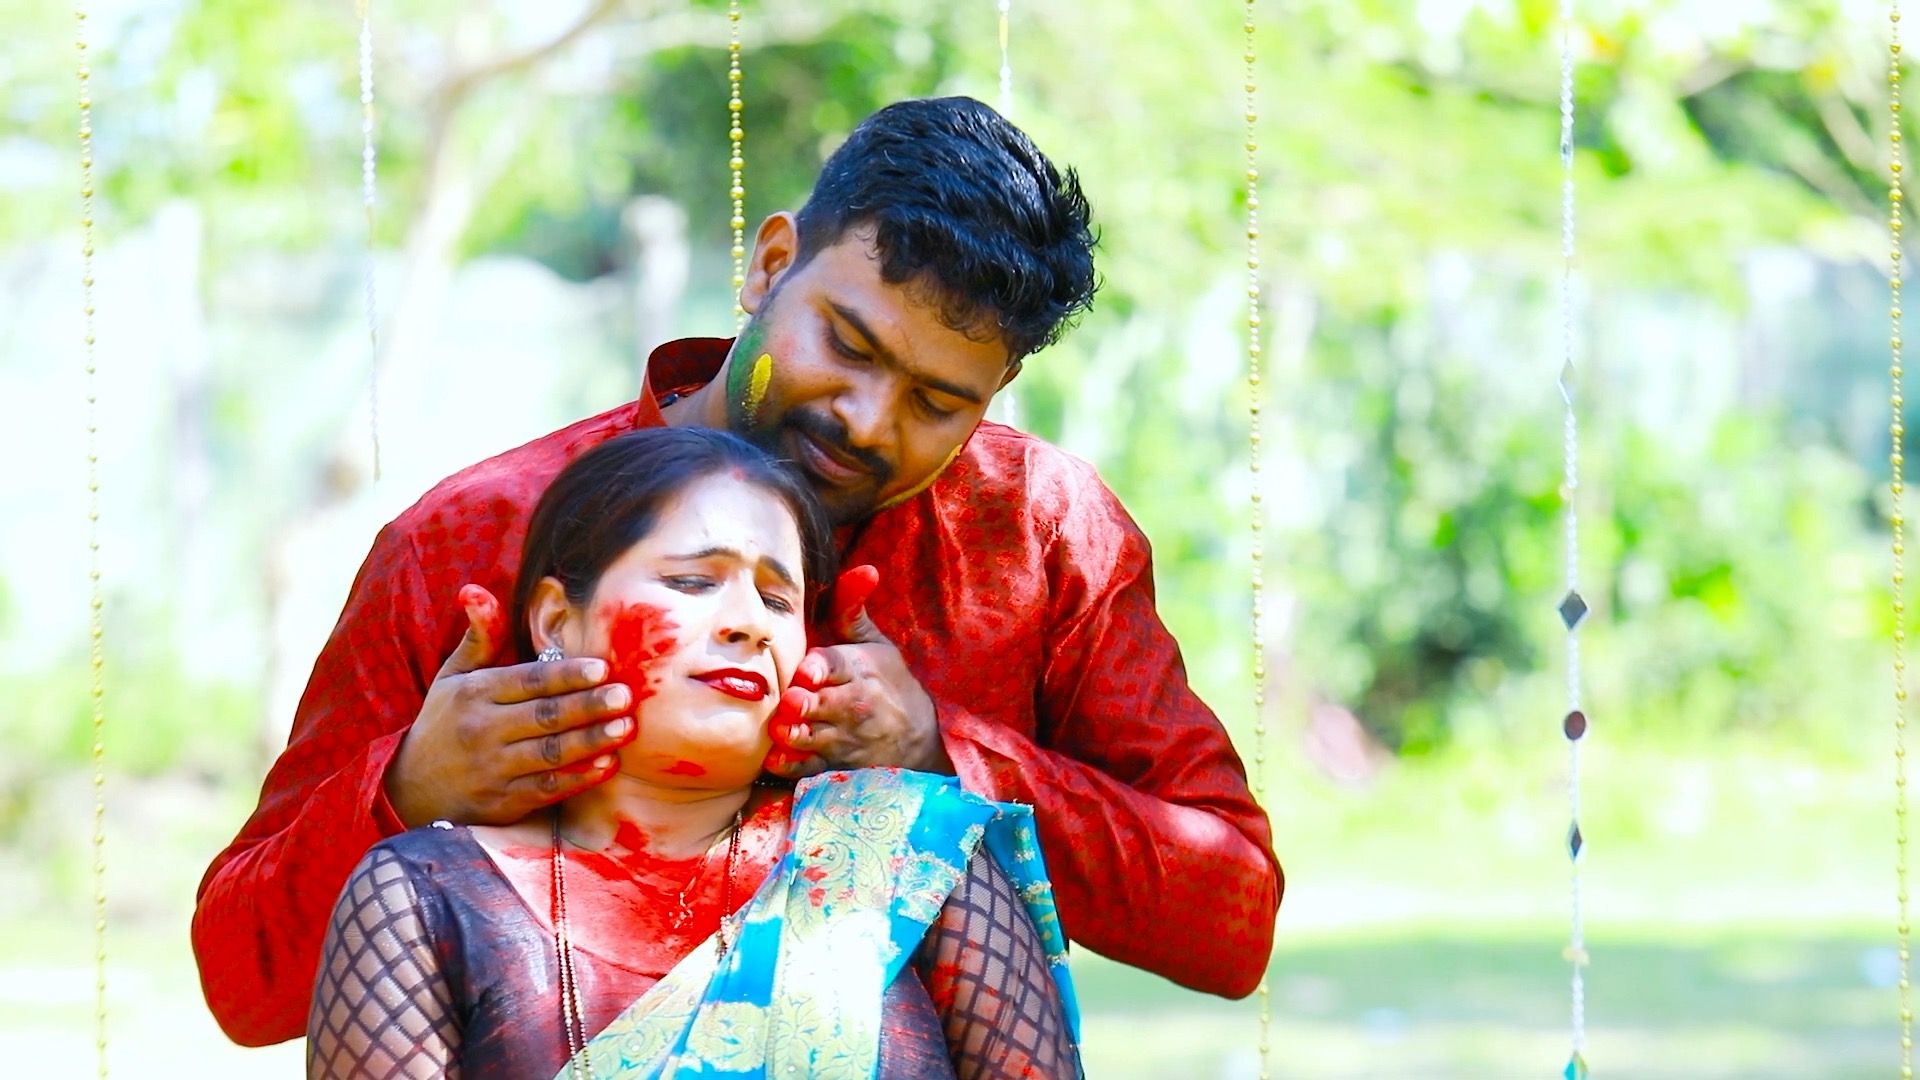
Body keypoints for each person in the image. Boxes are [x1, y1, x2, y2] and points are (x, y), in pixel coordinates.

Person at [196, 96, 1282, 1047]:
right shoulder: (475, 541)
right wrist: (407, 790)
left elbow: (1231, 916)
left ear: (991, 396)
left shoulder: (1035, 531)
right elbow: (243, 980)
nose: (868, 420)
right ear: (770, 266)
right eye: (847, 344)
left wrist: (946, 756)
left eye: (937, 401)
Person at [306, 427, 1082, 1079]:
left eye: (778, 600)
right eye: (691, 581)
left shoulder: (911, 859)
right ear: (554, 622)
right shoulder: (424, 898)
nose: (749, 622)